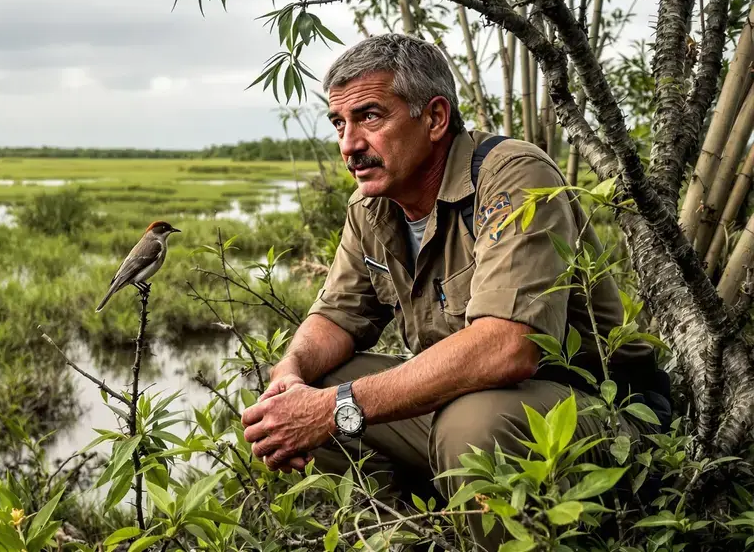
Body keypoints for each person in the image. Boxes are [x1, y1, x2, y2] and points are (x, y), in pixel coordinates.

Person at [238, 34, 668, 549]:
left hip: (600, 416)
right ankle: (415, 532)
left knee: (472, 423)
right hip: (477, 412)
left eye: (370, 117)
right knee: (298, 388)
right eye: (339, 123)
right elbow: (336, 316)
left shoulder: (511, 175)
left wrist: (335, 407)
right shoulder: (371, 206)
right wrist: (289, 375)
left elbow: (510, 346)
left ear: (435, 118)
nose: (349, 144)